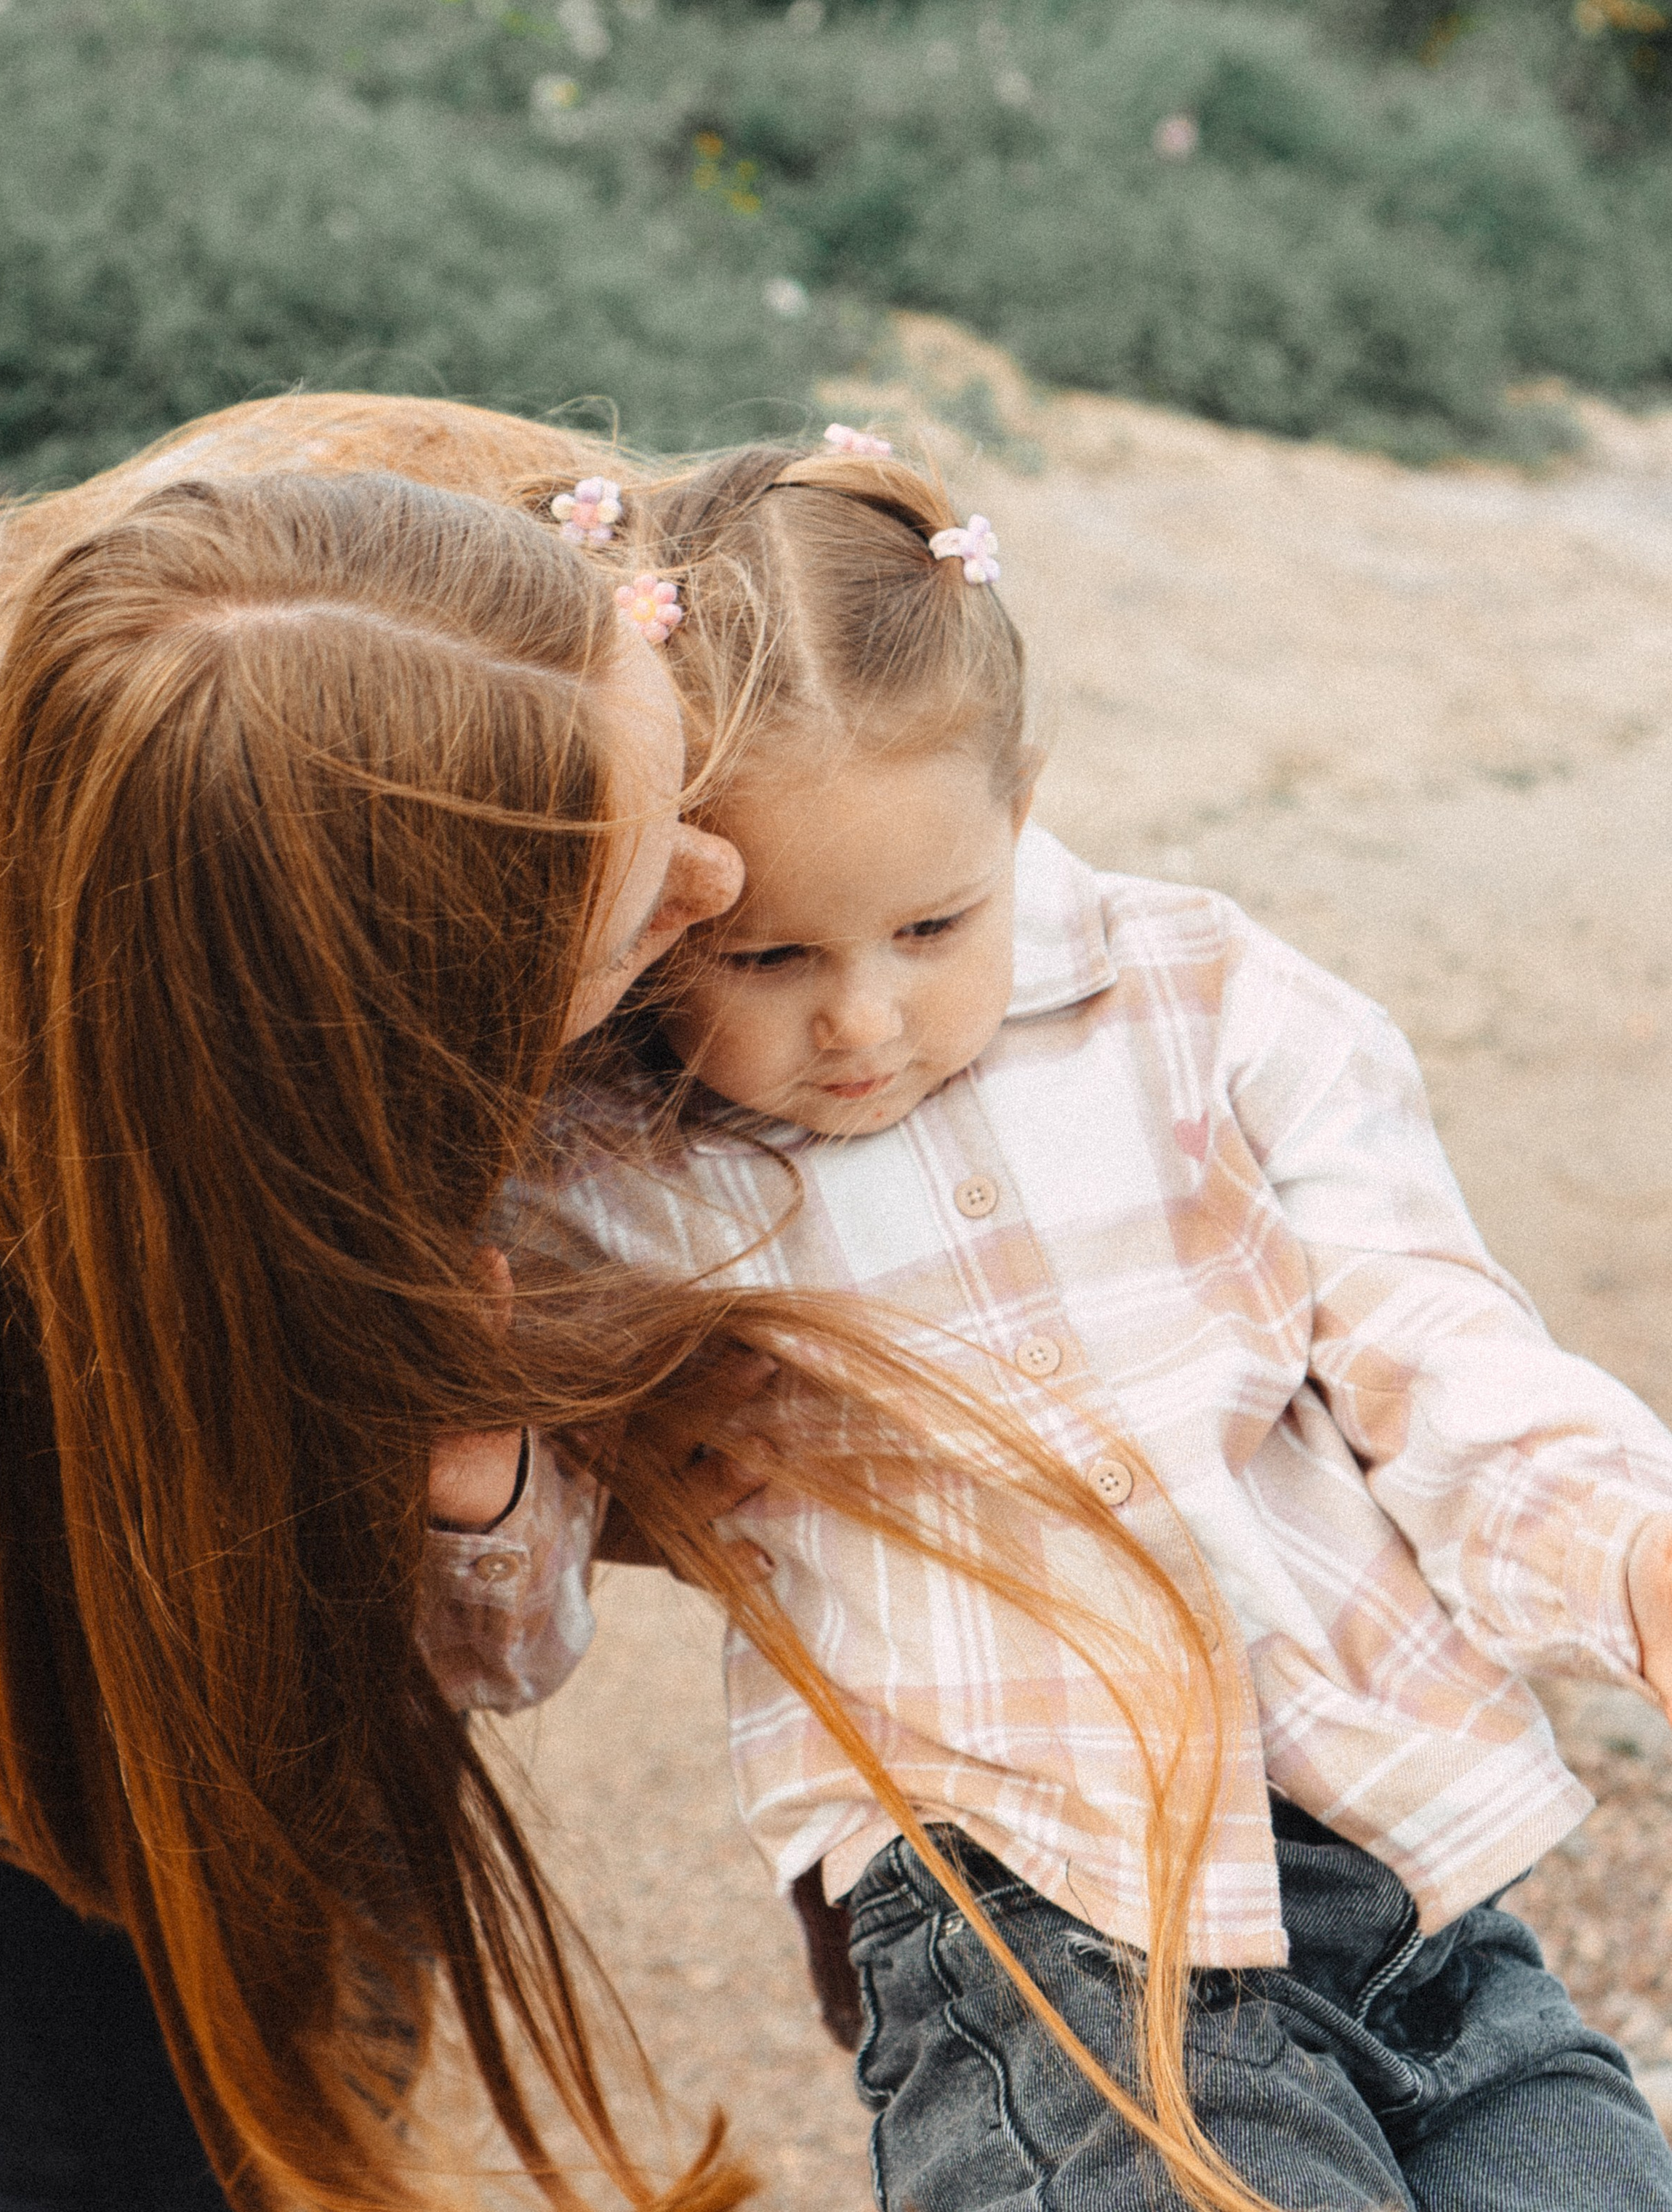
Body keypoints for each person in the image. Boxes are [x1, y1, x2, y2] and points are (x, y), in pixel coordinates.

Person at [544, 435, 1672, 2212]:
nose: (861, 1020)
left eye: (933, 924)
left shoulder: (1210, 998)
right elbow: (499, 1611)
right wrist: (487, 1468)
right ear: (660, 899)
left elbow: (1430, 1345)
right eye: (766, 957)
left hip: (1407, 1887)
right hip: (1028, 1921)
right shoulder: (612, 1165)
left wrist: (1629, 1552)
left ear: (1019, 806)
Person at [0, 395, 753, 2212]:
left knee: (332, 2045)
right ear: (391, 1046)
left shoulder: (367, 607)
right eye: (634, 913)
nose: (717, 891)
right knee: (98, 2153)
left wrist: (469, 1489)